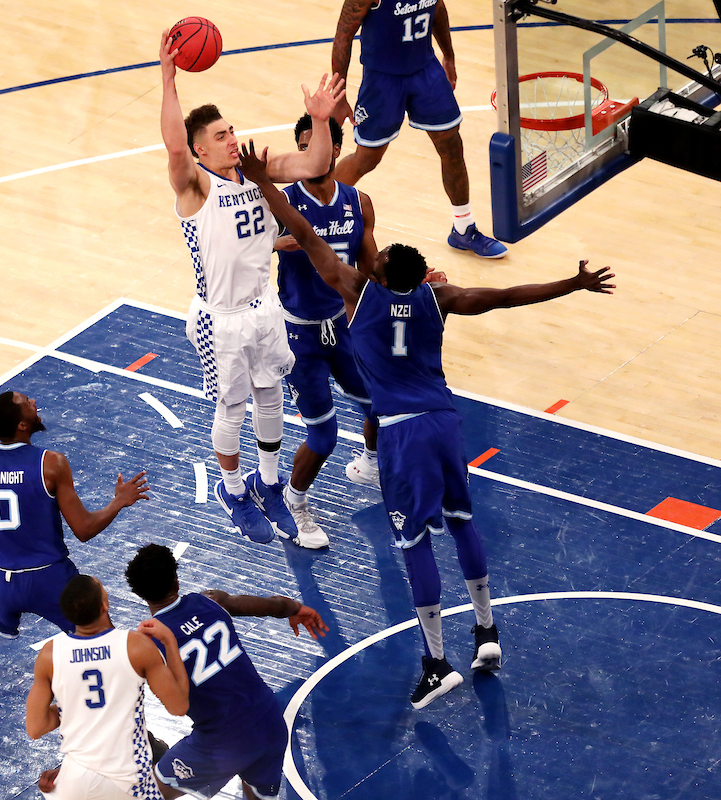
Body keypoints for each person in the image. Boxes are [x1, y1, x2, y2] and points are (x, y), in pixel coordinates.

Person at [237, 140, 615, 708]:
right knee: (463, 524)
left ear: (384, 274)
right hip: (444, 421)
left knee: (413, 544)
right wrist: (571, 283)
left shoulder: (357, 292)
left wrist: (262, 182)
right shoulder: (440, 299)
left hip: (403, 433)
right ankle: (486, 632)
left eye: (381, 257)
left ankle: (436, 663)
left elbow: (307, 236)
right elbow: (509, 295)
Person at [160, 29, 347, 547]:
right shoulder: (195, 186)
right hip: (218, 316)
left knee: (270, 398)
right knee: (232, 409)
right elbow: (173, 143)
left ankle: (267, 485)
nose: (230, 138)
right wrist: (168, 77)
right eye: (219, 135)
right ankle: (233, 489)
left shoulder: (255, 171)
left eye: (230, 130)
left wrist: (321, 119)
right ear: (200, 149)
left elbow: (316, 164)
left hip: (265, 305)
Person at [0, 390, 150, 763]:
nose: (34, 402)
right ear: (21, 424)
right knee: (103, 640)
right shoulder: (51, 464)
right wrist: (118, 501)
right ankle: (136, 733)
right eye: (27, 403)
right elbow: (82, 529)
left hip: (0, 580)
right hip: (51, 578)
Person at [124, 543, 328, 800]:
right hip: (269, 722)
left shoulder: (147, 645)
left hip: (220, 742)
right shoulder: (210, 601)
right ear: (176, 581)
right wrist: (297, 609)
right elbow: (271, 606)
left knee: (143, 796)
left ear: (140, 594)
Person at [273, 112, 383, 549]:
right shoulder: (281, 201)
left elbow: (372, 268)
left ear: (334, 148)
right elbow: (246, 249)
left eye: (314, 143)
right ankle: (294, 501)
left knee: (379, 402)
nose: (307, 153)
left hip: (341, 323)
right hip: (298, 333)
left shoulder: (359, 202)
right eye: (301, 146)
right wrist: (285, 241)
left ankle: (371, 463)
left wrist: (415, 280)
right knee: (324, 434)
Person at [330, 0, 508, 259]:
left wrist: (448, 55)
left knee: (451, 145)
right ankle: (312, 207)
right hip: (382, 80)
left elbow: (438, 9)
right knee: (367, 158)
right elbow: (343, 36)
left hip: (426, 71)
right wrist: (339, 93)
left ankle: (463, 228)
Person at [26, 574, 189, 800]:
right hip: (129, 781)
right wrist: (170, 642)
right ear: (105, 605)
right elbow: (179, 706)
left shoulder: (50, 654)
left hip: (74, 781)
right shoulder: (135, 645)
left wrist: (74, 705)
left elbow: (36, 727)